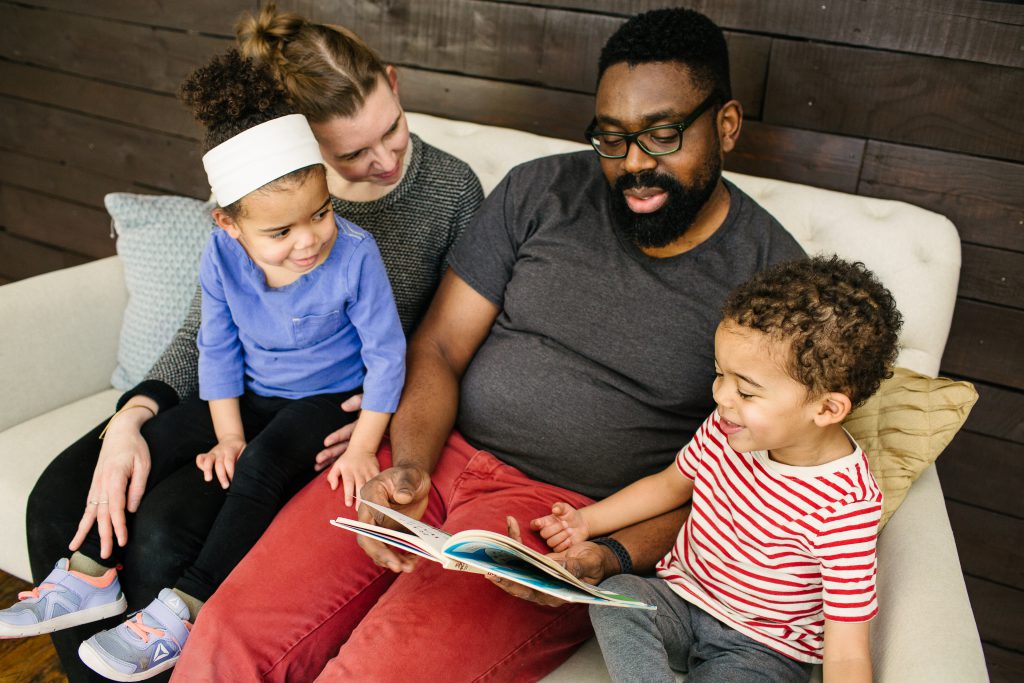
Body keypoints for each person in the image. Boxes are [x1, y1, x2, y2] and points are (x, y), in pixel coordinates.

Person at [173, 8, 809, 683]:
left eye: (661, 134)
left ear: (728, 125)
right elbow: (440, 346)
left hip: (555, 521)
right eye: (613, 138)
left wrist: (611, 553)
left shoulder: (772, 283)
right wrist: (409, 466)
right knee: (226, 636)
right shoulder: (542, 191)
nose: (633, 165)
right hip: (430, 450)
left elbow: (743, 489)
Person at [23, 7, 483, 682]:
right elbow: (209, 329)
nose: (383, 161)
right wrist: (134, 414)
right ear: (290, 140)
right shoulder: (264, 189)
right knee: (62, 494)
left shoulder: (449, 192)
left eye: (393, 129)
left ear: (392, 80)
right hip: (242, 394)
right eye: (350, 153)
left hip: (335, 406)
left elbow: (442, 344)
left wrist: (370, 433)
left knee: (162, 530)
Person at [533, 255, 902, 683]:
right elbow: (670, 485)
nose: (722, 396)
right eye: (719, 373)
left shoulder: (846, 506)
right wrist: (585, 521)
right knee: (616, 594)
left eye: (746, 390)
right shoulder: (728, 428)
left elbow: (847, 653)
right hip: (681, 599)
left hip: (762, 650)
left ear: (826, 408)